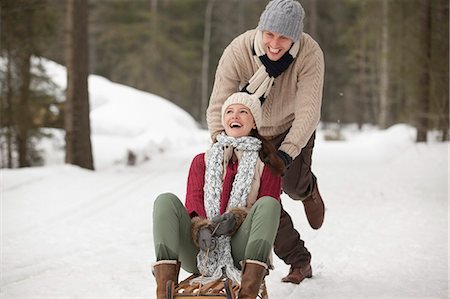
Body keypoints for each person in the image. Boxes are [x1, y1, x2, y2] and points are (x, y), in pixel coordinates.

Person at [206, 0, 325, 284]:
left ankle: (307, 190)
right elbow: (219, 102)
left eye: (284, 38)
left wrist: (287, 153)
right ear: (261, 29)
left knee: (292, 186)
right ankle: (299, 261)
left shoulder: (309, 53)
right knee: (262, 199)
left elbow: (309, 111)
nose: (275, 43)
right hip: (251, 130)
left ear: (295, 38)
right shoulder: (239, 50)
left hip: (291, 127)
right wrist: (217, 144)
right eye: (269, 34)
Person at [152, 92, 286, 299]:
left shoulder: (267, 164)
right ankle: (163, 292)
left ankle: (247, 294)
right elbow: (193, 204)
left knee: (269, 204)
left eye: (243, 112)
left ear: (254, 123)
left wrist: (237, 218)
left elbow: (266, 215)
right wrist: (200, 228)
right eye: (230, 112)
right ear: (223, 120)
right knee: (165, 201)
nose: (235, 116)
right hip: (201, 251)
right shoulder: (201, 161)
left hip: (242, 252)